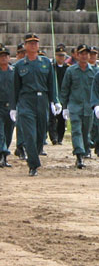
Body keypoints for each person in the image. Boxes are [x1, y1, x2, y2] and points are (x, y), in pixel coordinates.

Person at [11, 33, 61, 176]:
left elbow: (52, 83)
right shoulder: (20, 65)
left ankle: (35, 154)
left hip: (42, 100)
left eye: (35, 43)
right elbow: (15, 87)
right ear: (25, 46)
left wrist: (54, 100)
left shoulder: (45, 62)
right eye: (30, 43)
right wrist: (14, 108)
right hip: (26, 100)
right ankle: (33, 164)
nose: (33, 45)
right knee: (29, 134)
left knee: (40, 133)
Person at [60, 44, 96, 169]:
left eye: (87, 53)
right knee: (76, 131)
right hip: (74, 106)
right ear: (77, 55)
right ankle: (79, 155)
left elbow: (97, 90)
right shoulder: (71, 71)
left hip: (88, 107)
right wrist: (64, 106)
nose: (84, 56)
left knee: (86, 132)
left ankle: (85, 149)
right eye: (82, 53)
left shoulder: (94, 71)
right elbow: (65, 89)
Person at [50, 44, 69, 145]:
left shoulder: (68, 68)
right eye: (59, 55)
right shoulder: (52, 67)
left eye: (62, 55)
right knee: (52, 117)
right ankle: (53, 137)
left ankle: (60, 137)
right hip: (54, 93)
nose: (61, 57)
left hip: (63, 95)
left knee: (62, 118)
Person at [0, 45, 13, 167]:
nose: (3, 58)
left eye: (5, 56)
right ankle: (2, 155)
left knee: (9, 133)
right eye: (1, 56)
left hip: (11, 107)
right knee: (1, 133)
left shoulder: (14, 72)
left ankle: (4, 155)